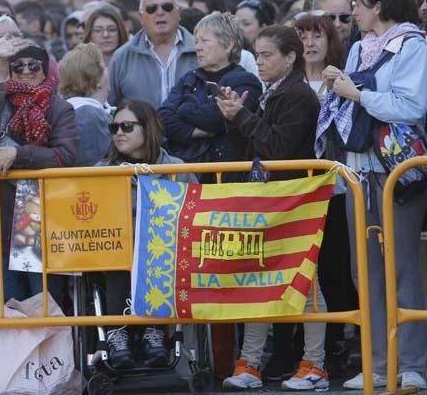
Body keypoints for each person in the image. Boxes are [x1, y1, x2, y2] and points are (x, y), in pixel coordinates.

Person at [317, 0, 427, 391]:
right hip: (357, 172)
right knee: (363, 273)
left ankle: (412, 364)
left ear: (378, 5)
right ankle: (379, 363)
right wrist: (338, 93)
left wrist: (356, 94)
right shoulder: (358, 48)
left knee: (401, 270)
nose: (353, 13)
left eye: (359, 5)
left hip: (397, 173)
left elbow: (410, 105)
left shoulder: (411, 44)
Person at [216, 25, 328, 391]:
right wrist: (235, 115)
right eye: (257, 54)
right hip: (271, 197)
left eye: (266, 55)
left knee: (306, 281)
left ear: (290, 57)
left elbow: (278, 148)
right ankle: (250, 362)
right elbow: (251, 148)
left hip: (296, 198)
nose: (259, 62)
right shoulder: (273, 92)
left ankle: (315, 364)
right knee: (258, 278)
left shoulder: (298, 95)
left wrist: (243, 117)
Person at [0, 37, 78, 303]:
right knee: (8, 306)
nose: (25, 71)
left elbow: (65, 155)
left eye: (33, 66)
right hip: (0, 214)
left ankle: (48, 347)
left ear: (45, 70)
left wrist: (17, 154)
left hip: (36, 212)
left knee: (43, 304)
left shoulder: (59, 108)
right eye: (17, 67)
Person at [96, 99, 196, 369]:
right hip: (117, 253)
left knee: (154, 248)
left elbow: (195, 213)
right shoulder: (99, 171)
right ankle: (118, 333)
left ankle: (154, 330)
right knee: (119, 252)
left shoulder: (177, 168)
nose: (119, 133)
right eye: (114, 127)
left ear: (147, 128)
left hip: (165, 252)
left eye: (127, 126)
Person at [294, 11, 356, 376]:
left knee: (336, 270)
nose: (311, 43)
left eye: (318, 35)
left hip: (335, 190)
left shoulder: (343, 81)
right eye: (302, 36)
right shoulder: (287, 83)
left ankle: (339, 345)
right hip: (298, 191)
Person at [158, 12, 261, 171]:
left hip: (224, 175)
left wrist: (184, 109)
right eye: (197, 41)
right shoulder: (189, 78)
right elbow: (162, 118)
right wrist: (196, 132)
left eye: (205, 41)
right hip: (185, 173)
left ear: (228, 45)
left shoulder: (245, 80)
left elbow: (216, 118)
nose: (198, 47)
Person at [108, 0, 198, 108]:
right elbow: (111, 108)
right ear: (141, 17)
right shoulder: (122, 57)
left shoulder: (200, 50)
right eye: (151, 9)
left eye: (167, 7)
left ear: (179, 12)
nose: (160, 12)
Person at [58, 43, 111, 167]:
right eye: (104, 67)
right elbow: (92, 169)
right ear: (96, 79)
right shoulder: (88, 116)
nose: (108, 70)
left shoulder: (73, 110)